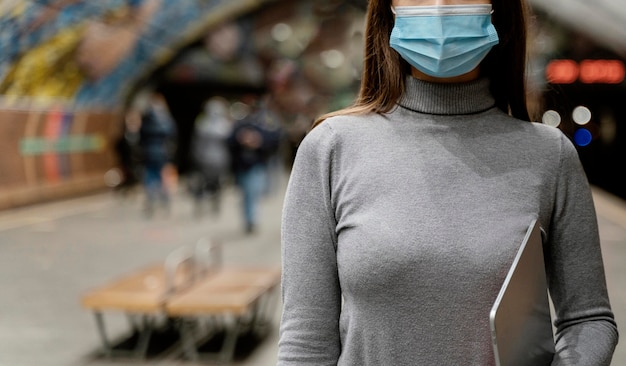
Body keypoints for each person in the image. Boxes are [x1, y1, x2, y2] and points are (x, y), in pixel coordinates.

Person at [278, 0, 618, 365]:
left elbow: (588, 319)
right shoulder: (331, 148)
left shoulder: (550, 156)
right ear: (388, 10)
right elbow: (306, 341)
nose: (440, 5)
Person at [228, 95, 282, 234]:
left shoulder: (267, 122)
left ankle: (251, 220)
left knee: (253, 192)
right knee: (247, 194)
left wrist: (259, 140)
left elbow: (275, 138)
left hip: (257, 164)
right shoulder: (240, 123)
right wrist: (241, 138)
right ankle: (249, 219)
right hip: (242, 165)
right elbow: (230, 140)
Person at [188, 96, 233, 216]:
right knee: (210, 185)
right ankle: (210, 205)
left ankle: (210, 205)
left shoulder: (203, 124)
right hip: (215, 160)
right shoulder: (221, 125)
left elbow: (196, 145)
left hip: (211, 160)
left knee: (210, 185)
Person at [138, 91, 177, 217]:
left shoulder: (147, 118)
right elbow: (172, 135)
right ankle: (165, 201)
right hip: (163, 153)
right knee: (163, 177)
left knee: (150, 177)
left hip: (149, 152)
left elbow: (141, 135)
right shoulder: (166, 118)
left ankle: (151, 200)